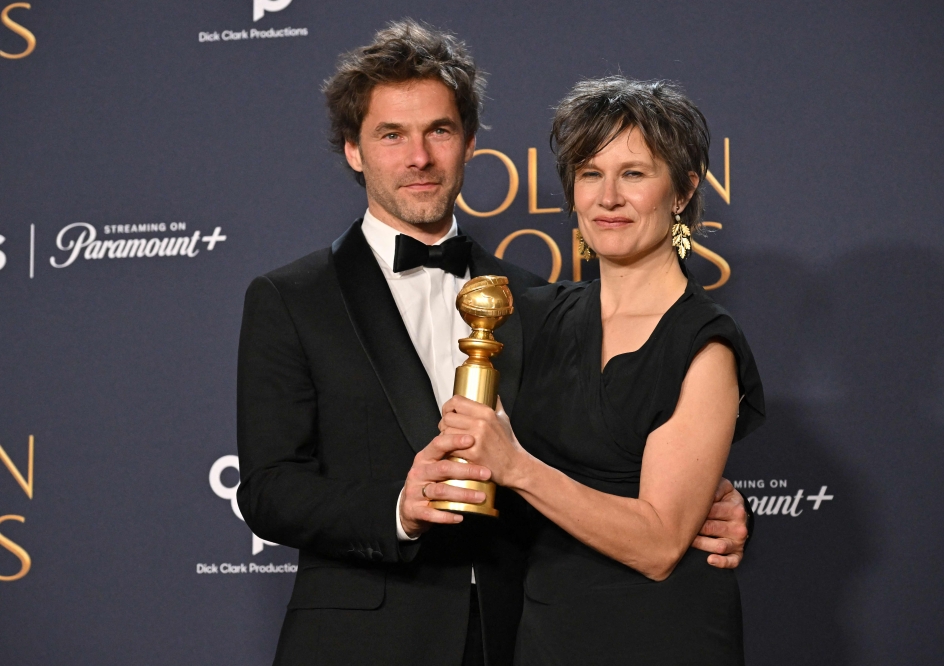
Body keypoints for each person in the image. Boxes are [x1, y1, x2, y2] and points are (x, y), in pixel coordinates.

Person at [236, 21, 753, 666]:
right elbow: (269, 489)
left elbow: (598, 449)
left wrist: (706, 502)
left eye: (439, 131)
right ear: (353, 150)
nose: (419, 157)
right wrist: (397, 507)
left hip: (519, 636)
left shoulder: (535, 299)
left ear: (470, 143)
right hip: (362, 640)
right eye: (391, 135)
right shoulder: (291, 298)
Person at [440, 76, 766, 665]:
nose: (608, 198)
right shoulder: (533, 316)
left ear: (683, 189)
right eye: (590, 174)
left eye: (634, 174)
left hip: (664, 636)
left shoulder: (704, 343)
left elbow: (660, 545)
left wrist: (517, 467)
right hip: (547, 632)